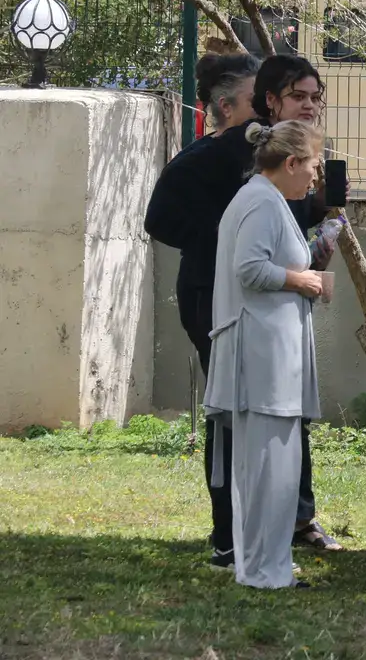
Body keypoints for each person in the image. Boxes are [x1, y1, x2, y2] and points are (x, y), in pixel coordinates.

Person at [143, 52, 261, 568]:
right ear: (226, 106)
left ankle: (267, 521)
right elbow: (159, 220)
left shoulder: (261, 154)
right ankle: (227, 531)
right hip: (209, 296)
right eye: (258, 100)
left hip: (250, 297)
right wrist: (221, 236)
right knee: (227, 409)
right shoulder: (203, 158)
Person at [204, 120, 326, 589]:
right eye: (313, 166)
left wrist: (305, 270)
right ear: (291, 163)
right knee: (267, 472)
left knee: (274, 471)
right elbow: (250, 268)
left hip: (271, 358)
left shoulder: (265, 199)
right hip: (261, 359)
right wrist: (301, 279)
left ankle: (267, 567)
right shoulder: (260, 201)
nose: (315, 177)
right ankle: (262, 571)